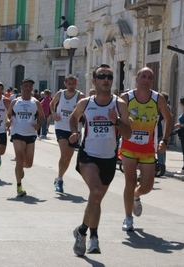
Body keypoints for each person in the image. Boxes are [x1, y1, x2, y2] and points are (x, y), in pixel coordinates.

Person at [70, 64, 132, 256]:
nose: (106, 80)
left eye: (109, 77)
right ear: (94, 80)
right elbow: (74, 118)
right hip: (88, 155)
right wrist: (74, 132)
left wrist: (116, 122)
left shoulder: (119, 104)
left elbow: (128, 133)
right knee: (96, 192)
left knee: (95, 198)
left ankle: (81, 230)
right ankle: (93, 238)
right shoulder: (86, 103)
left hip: (109, 158)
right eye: (102, 76)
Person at [120, 67, 173, 231]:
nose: (146, 80)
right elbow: (113, 117)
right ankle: (128, 218)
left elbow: (168, 119)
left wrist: (164, 140)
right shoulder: (126, 98)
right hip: (128, 146)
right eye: (143, 76)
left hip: (148, 149)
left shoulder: (158, 99)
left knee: (147, 186)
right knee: (129, 183)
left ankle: (137, 195)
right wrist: (123, 122)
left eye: (150, 77)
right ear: (137, 79)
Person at [6, 78, 44, 197]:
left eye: (30, 86)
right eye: (26, 86)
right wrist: (8, 122)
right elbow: (8, 115)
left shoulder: (36, 103)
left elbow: (42, 117)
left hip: (31, 134)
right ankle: (19, 186)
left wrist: (39, 125)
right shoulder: (15, 102)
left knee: (29, 163)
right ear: (21, 87)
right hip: (17, 132)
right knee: (19, 158)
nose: (28, 88)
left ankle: (21, 167)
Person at [50, 74, 85, 193]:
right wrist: (54, 113)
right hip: (60, 126)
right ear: (65, 84)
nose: (71, 86)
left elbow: (85, 111)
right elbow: (52, 104)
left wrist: (79, 111)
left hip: (73, 129)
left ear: (76, 84)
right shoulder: (60, 94)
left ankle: (59, 176)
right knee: (64, 153)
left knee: (68, 157)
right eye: (69, 84)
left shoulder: (80, 96)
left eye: (73, 84)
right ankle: (59, 179)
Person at [157, 92, 170, 166]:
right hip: (159, 129)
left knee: (160, 146)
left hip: (158, 129)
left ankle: (161, 164)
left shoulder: (163, 107)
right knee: (161, 146)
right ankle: (161, 163)